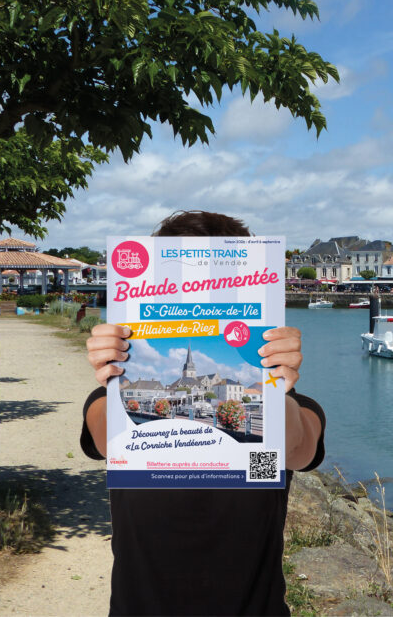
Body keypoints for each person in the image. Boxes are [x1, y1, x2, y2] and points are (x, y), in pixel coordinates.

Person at [81, 211, 325, 616]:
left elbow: (298, 446)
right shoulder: (107, 401)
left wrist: (278, 381)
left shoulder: (295, 408)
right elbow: (109, 436)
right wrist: (110, 369)